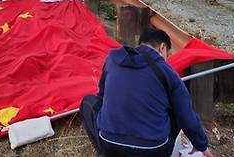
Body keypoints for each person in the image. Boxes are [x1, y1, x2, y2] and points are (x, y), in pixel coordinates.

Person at [80, 28, 213, 157]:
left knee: (88, 101)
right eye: (168, 54)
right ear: (162, 48)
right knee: (177, 109)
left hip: (110, 145)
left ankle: (103, 152)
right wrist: (200, 144)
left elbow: (101, 98)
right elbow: (186, 115)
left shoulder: (112, 59)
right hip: (153, 150)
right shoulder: (166, 71)